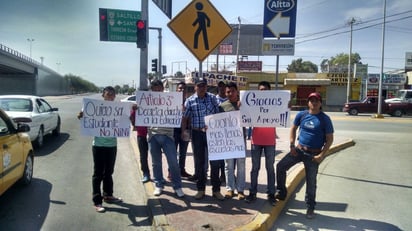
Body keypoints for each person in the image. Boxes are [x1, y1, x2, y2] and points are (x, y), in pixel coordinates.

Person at [276, 92, 334, 219]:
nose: (314, 103)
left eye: (316, 101)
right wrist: (292, 145)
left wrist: (322, 155)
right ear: (308, 102)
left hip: (314, 155)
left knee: (311, 183)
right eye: (311, 100)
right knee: (280, 166)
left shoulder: (325, 119)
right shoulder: (302, 115)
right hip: (298, 151)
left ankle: (310, 207)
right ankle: (281, 192)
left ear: (320, 103)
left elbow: (329, 139)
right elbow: (293, 128)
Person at [77, 86, 122, 213]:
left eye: (112, 95)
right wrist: (81, 115)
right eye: (108, 94)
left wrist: (133, 111)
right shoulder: (94, 107)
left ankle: (108, 195)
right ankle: (97, 201)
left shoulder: (117, 108)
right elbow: (82, 116)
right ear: (103, 95)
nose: (110, 96)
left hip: (112, 145)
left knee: (109, 172)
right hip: (98, 145)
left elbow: (126, 118)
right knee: (98, 174)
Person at [181, 78, 224, 201]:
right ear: (195, 87)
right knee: (200, 163)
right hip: (197, 134)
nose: (202, 88)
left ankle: (216, 190)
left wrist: (215, 125)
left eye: (204, 86)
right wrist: (184, 131)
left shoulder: (212, 98)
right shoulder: (190, 101)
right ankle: (201, 190)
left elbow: (218, 115)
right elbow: (185, 118)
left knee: (215, 162)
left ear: (206, 87)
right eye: (199, 86)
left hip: (212, 133)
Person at [147, 80, 184, 198]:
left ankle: (177, 186)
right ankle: (159, 184)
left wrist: (180, 109)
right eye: (155, 89)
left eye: (159, 88)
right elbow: (140, 115)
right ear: (152, 89)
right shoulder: (147, 100)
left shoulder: (171, 99)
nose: (157, 91)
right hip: (153, 136)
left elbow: (179, 113)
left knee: (173, 162)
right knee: (156, 163)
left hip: (168, 136)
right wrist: (136, 109)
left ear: (163, 89)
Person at [245, 81, 277, 205]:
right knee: (255, 168)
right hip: (256, 141)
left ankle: (271, 194)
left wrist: (287, 106)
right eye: (261, 90)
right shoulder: (252, 105)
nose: (263, 92)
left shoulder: (275, 105)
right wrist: (242, 106)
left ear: (269, 91)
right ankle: (252, 193)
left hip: (270, 141)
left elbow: (282, 114)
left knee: (270, 168)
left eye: (266, 90)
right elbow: (245, 118)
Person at [218, 82, 246, 200]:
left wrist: (242, 108)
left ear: (237, 92)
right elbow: (217, 123)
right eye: (227, 92)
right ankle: (230, 189)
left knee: (241, 165)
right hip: (227, 140)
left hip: (240, 139)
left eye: (232, 91)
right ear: (225, 93)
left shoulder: (244, 104)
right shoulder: (222, 106)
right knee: (228, 165)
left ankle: (240, 190)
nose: (230, 94)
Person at [172, 81, 192, 178]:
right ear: (177, 90)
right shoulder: (171, 101)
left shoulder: (189, 103)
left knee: (183, 153)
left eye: (184, 88)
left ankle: (181, 170)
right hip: (174, 130)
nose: (182, 90)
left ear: (186, 92)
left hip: (186, 130)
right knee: (172, 152)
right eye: (180, 88)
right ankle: (171, 171)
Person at [130, 106, 150, 183]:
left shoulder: (155, 106)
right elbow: (132, 119)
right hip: (141, 135)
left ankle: (158, 176)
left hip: (153, 135)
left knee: (156, 156)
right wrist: (133, 110)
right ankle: (146, 173)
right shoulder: (138, 108)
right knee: (143, 156)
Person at [215, 80, 227, 183]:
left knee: (227, 156)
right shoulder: (213, 99)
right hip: (216, 132)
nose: (222, 88)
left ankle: (225, 174)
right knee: (218, 156)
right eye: (220, 86)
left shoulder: (230, 99)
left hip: (228, 132)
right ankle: (217, 175)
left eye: (223, 86)